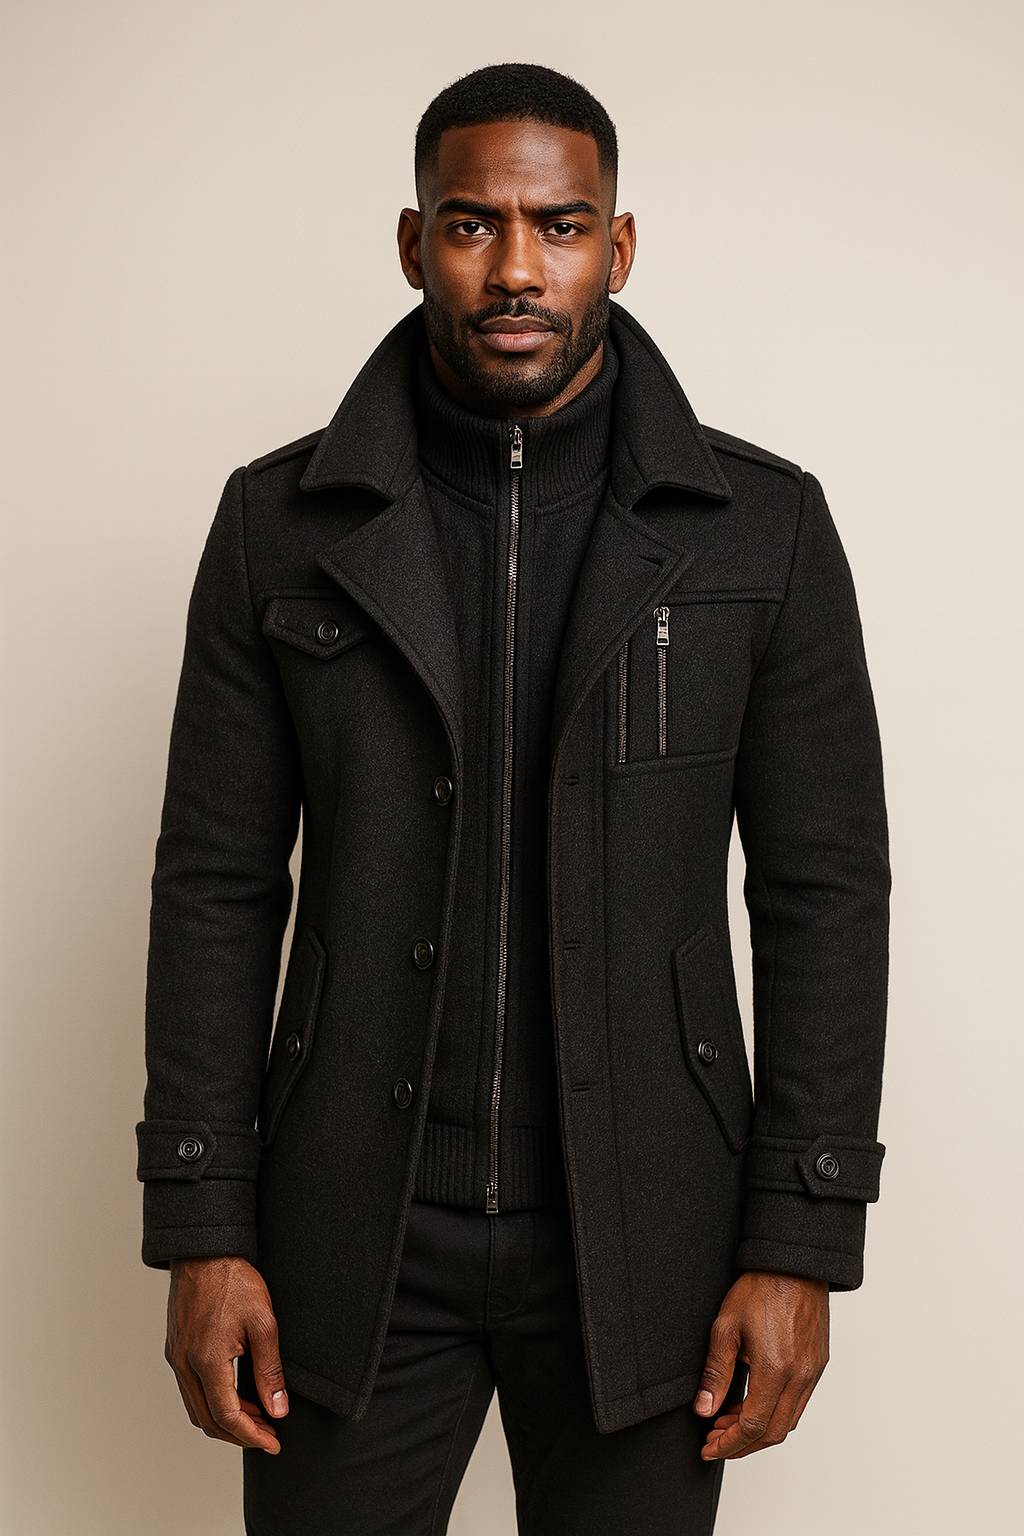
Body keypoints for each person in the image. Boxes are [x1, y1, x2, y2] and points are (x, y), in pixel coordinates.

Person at [137, 62, 889, 1536]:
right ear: (414, 242)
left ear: (621, 245)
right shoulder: (277, 523)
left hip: (653, 1237)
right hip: (346, 1231)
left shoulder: (764, 529)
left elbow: (825, 896)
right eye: (474, 225)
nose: (518, 270)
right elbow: (214, 883)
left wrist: (802, 1236)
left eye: (561, 225)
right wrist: (202, 1222)